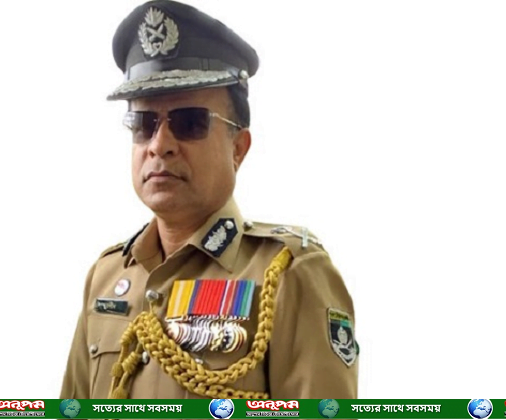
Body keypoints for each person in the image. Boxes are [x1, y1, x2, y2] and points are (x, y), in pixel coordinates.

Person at [60, 0, 358, 400]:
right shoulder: (107, 276)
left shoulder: (290, 273)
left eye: (189, 123)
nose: (159, 145)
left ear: (238, 148)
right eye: (144, 124)